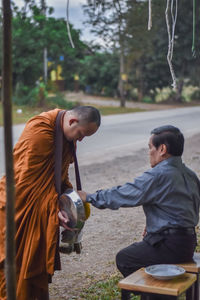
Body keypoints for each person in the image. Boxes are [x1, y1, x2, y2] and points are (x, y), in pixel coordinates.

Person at [78, 125, 200, 300]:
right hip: (188, 243)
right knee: (139, 256)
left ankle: (160, 295)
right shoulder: (190, 174)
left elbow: (124, 194)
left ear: (162, 149)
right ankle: (161, 294)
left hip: (169, 245)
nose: (149, 152)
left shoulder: (159, 175)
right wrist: (157, 222)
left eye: (150, 148)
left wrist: (89, 197)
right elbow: (186, 207)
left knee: (125, 258)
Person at [0, 106, 101, 300]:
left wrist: (67, 202)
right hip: (19, 207)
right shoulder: (40, 132)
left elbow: (58, 176)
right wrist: (52, 209)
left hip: (39, 207)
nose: (80, 140)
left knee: (33, 268)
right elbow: (25, 183)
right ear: (72, 122)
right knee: (12, 267)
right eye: (81, 134)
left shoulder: (66, 135)